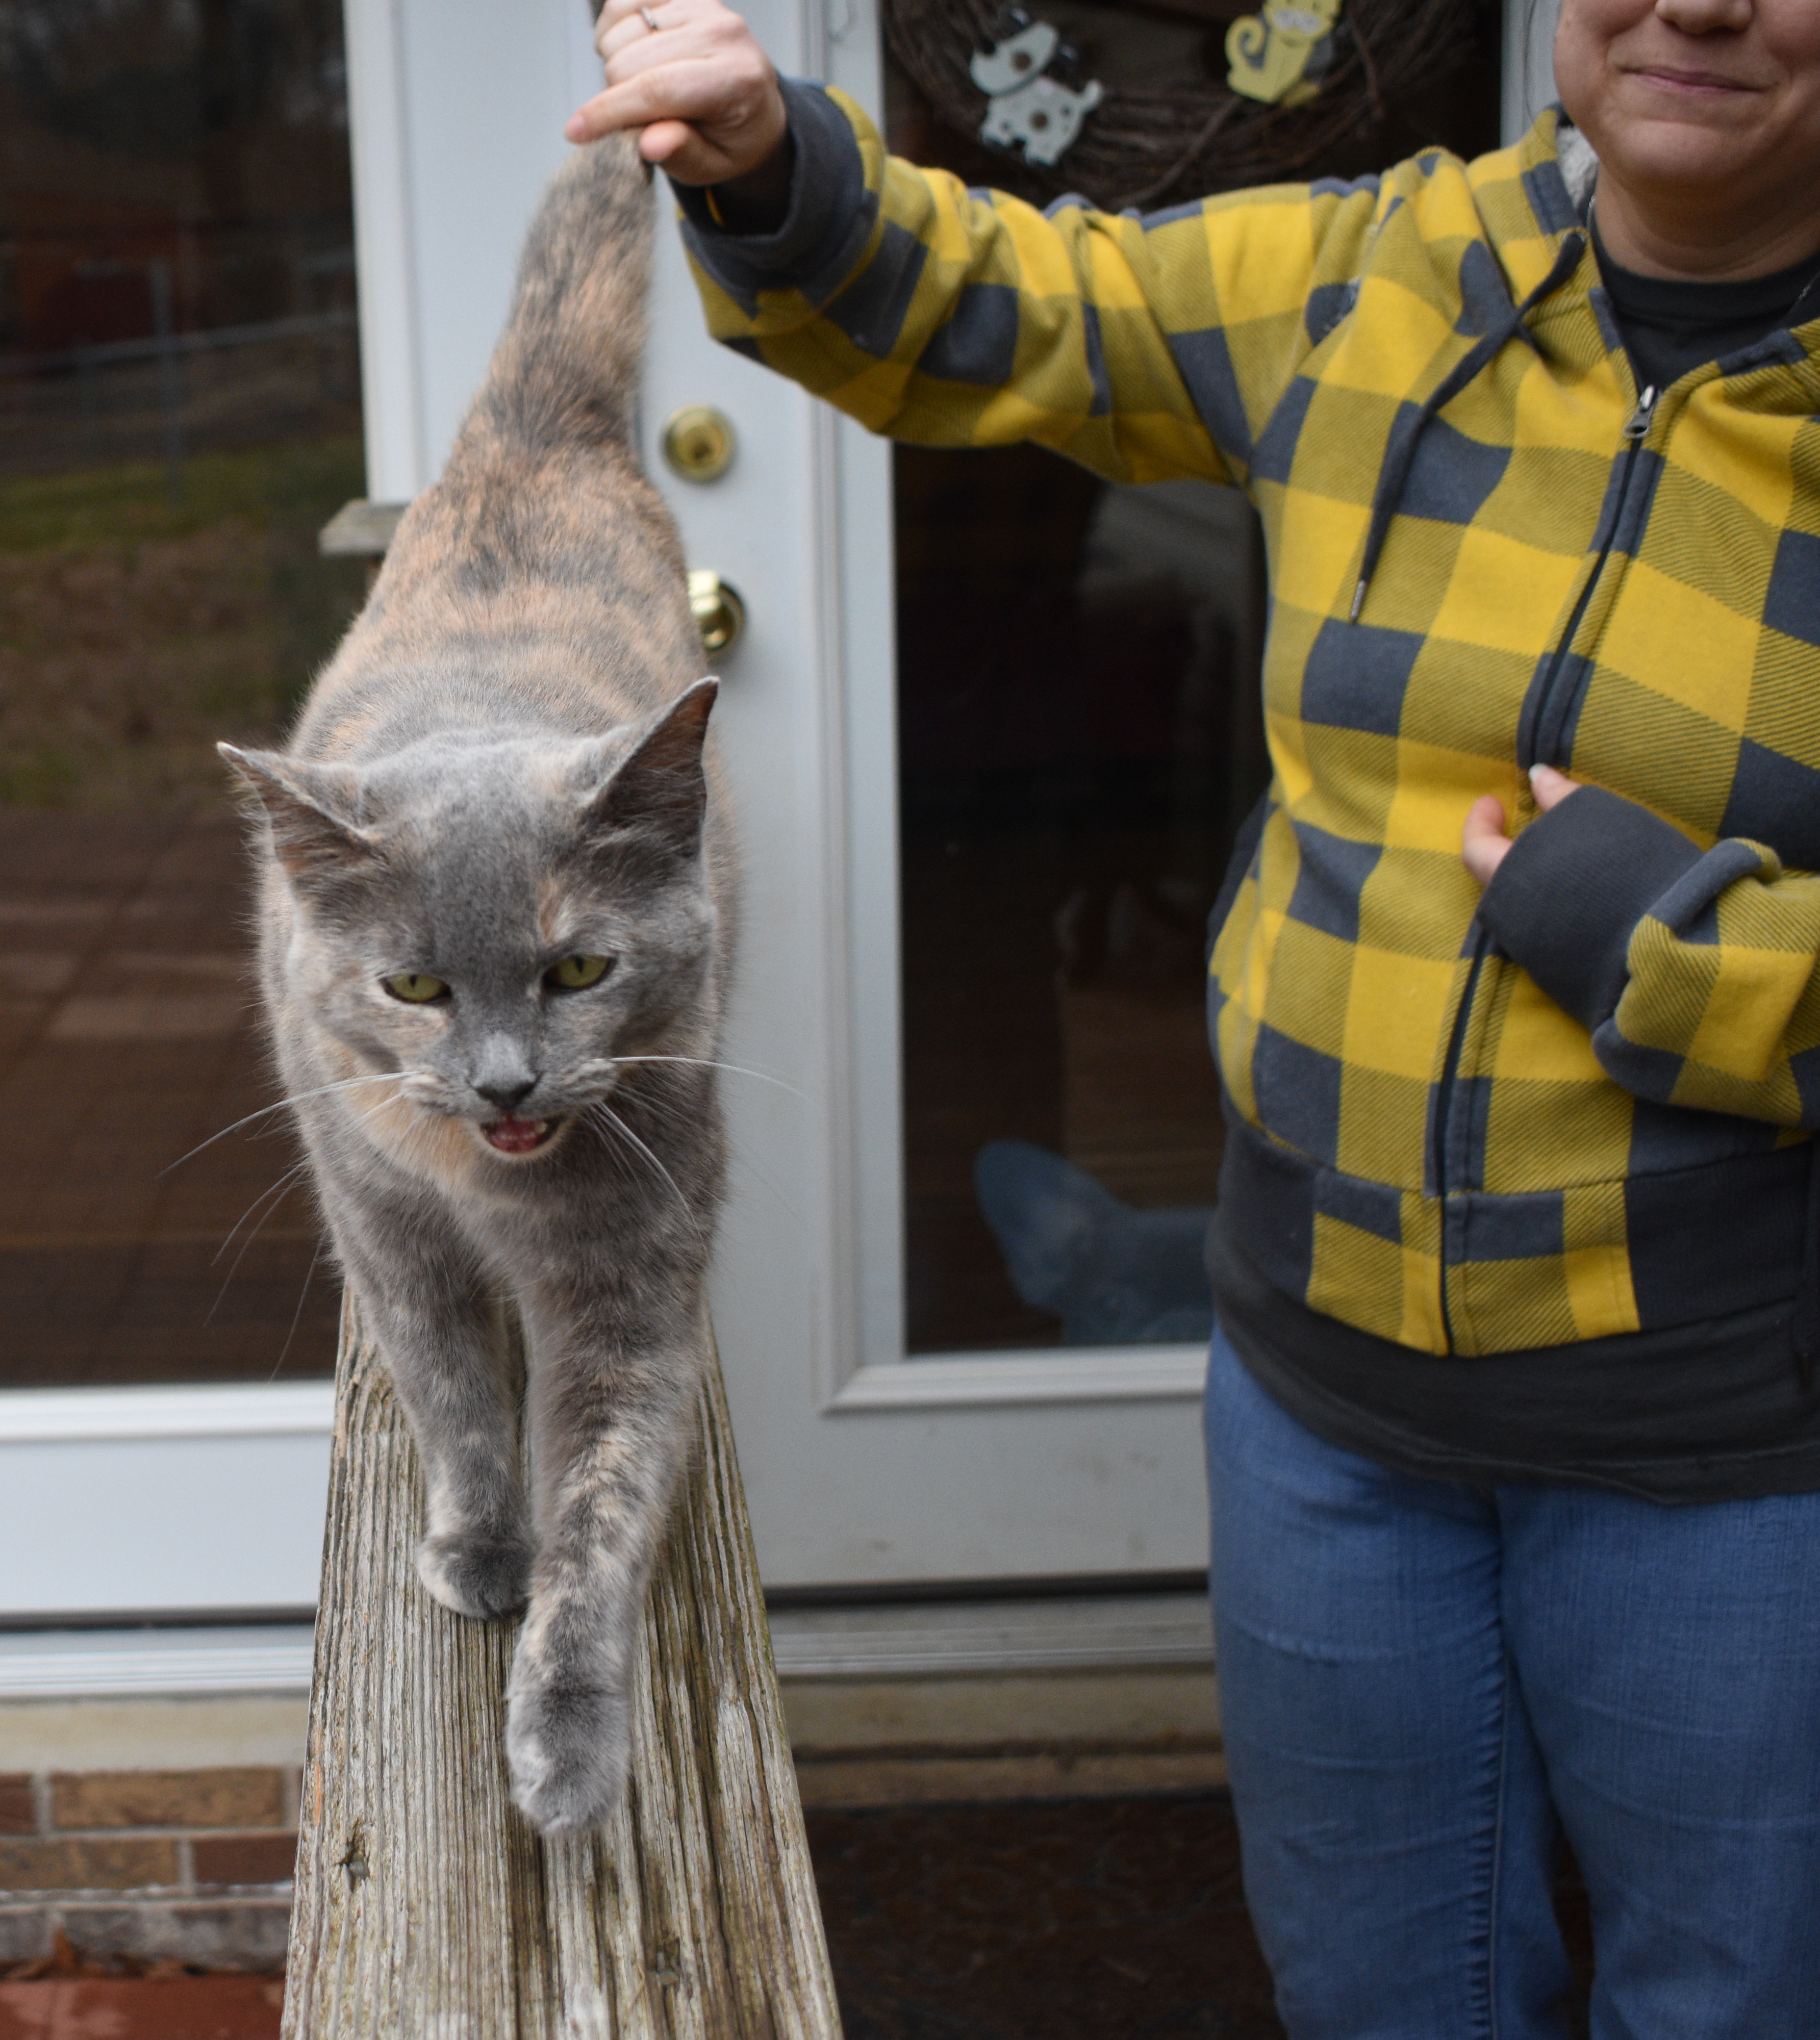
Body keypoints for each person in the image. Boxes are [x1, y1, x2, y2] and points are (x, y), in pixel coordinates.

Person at [570, 1, 1820, 2031]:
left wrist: (1663, 944)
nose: (1699, 4)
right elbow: (1011, 302)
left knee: (1734, 2002)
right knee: (1382, 1996)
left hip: (1735, 1448)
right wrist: (772, 163)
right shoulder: (1393, 274)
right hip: (1330, 1413)